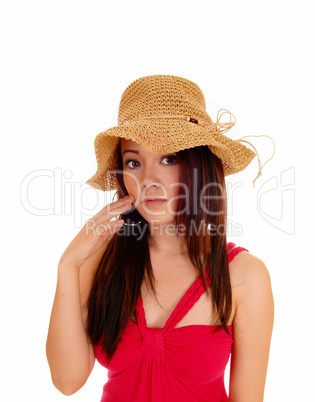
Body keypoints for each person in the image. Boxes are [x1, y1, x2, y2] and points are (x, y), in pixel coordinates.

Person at [46, 75, 275, 401]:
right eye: (134, 162)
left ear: (200, 165)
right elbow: (66, 381)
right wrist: (68, 266)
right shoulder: (98, 259)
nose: (148, 179)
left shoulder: (244, 276)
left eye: (168, 158)